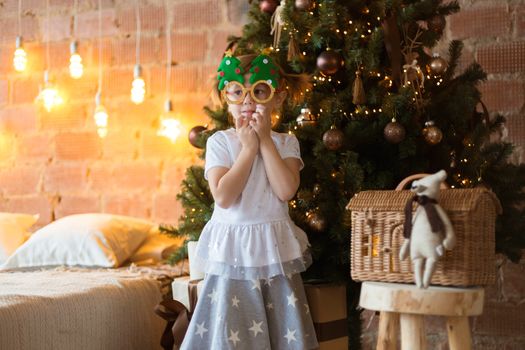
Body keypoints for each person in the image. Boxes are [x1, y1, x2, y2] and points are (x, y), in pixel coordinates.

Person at [180, 50, 318, 350]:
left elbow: (285, 190)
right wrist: (247, 149)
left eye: (259, 91)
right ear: (226, 98)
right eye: (238, 92)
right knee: (231, 329)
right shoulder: (221, 142)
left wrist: (265, 140)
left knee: (282, 327)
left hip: (274, 252)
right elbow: (224, 196)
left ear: (277, 98)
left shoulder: (285, 143)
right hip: (232, 254)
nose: (248, 101)